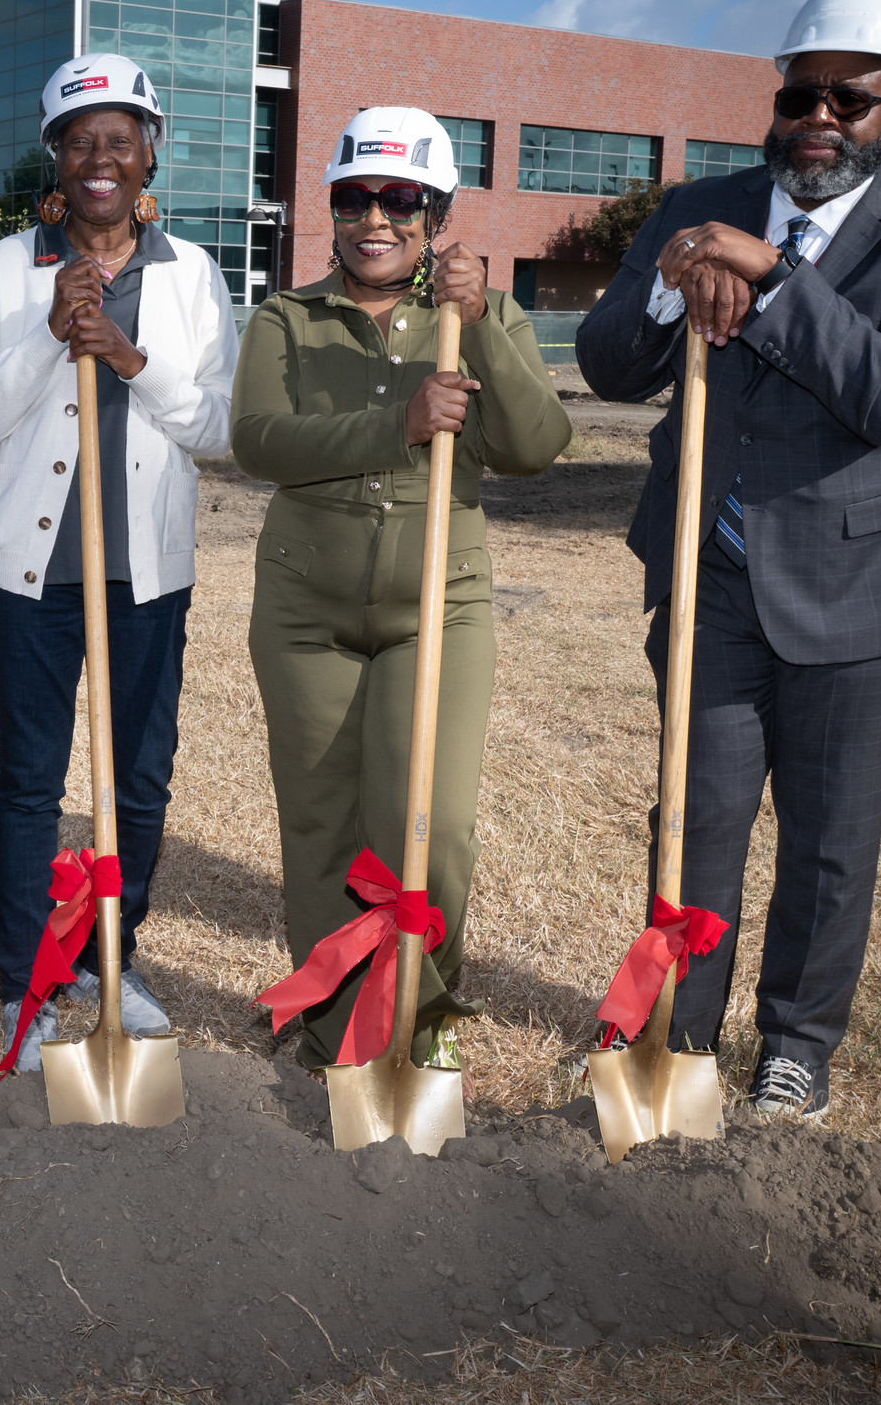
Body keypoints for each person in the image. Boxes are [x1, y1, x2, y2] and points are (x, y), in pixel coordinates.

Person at [575, 0, 881, 1120]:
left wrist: (771, 278)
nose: (819, 115)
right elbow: (613, 366)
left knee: (827, 834)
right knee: (695, 818)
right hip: (709, 573)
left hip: (861, 586)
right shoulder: (696, 203)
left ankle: (796, 1048)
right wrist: (674, 291)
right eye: (798, 91)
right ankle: (678, 1035)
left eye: (849, 99)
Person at [233, 108, 571, 1074]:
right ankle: (338, 1032)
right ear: (331, 209)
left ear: (438, 210)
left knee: (430, 824)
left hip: (439, 608)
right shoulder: (287, 317)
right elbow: (258, 439)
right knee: (321, 825)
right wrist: (402, 426)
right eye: (354, 197)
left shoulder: (481, 318)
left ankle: (421, 1016)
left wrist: (483, 327)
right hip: (305, 615)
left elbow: (537, 447)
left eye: (400, 199)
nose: (375, 218)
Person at [0, 54, 240, 1069]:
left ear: (149, 149)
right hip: (27, 580)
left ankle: (111, 952)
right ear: (55, 159)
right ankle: (30, 979)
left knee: (139, 780)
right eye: (80, 139)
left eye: (120, 137)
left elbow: (218, 428)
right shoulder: (2, 267)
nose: (100, 157)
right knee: (30, 778)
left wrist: (124, 356)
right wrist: (46, 330)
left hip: (145, 578)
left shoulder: (192, 274)